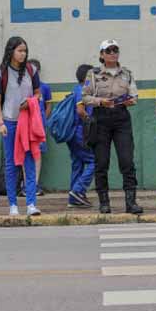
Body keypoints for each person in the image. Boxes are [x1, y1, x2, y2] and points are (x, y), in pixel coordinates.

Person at [81, 40, 142, 214]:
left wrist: (131, 101)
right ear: (101, 54)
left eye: (115, 50)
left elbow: (134, 95)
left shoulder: (126, 74)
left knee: (127, 161)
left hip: (121, 117)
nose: (113, 53)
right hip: (101, 118)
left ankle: (131, 203)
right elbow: (85, 97)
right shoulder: (93, 74)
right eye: (108, 50)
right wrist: (100, 101)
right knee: (102, 162)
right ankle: (104, 202)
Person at [0, 36, 42, 216]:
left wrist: (31, 102)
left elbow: (38, 94)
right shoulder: (2, 73)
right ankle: (12, 204)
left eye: (25, 51)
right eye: (20, 50)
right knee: (11, 164)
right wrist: (0, 123)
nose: (23, 54)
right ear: (11, 51)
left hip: (27, 122)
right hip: (9, 122)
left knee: (29, 162)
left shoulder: (32, 70)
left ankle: (31, 204)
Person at [66, 64, 96, 209]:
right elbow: (80, 111)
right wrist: (90, 119)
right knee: (94, 162)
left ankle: (74, 197)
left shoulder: (75, 89)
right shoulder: (83, 90)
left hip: (73, 133)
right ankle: (78, 190)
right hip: (80, 132)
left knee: (77, 163)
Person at [27, 58, 52, 197]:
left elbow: (48, 106)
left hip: (39, 128)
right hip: (25, 127)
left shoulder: (44, 87)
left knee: (37, 154)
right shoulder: (23, 87)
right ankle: (26, 185)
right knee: (25, 154)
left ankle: (35, 184)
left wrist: (42, 120)